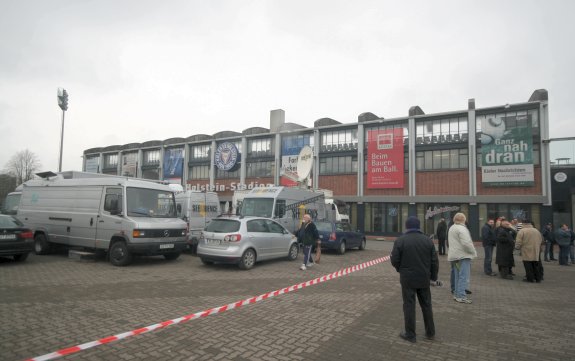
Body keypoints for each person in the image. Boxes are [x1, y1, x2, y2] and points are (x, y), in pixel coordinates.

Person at [390, 216, 438, 343]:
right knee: (427, 305)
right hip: (424, 278)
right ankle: (430, 332)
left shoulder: (401, 240)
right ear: (418, 227)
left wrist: (401, 269)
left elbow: (394, 260)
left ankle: (410, 334)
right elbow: (434, 261)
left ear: (407, 226)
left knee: (409, 306)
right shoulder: (428, 241)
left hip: (408, 279)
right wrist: (433, 277)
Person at [447, 212, 477, 304]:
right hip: (463, 256)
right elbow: (466, 243)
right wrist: (473, 252)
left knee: (457, 276)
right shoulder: (462, 229)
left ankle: (457, 294)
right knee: (463, 276)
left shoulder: (452, 227)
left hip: (455, 256)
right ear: (464, 220)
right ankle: (461, 296)